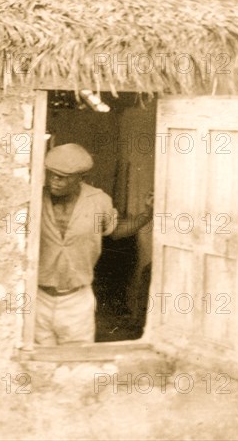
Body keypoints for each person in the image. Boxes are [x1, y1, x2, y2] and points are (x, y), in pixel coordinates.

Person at [35, 143, 153, 346]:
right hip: (37, 297)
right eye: (52, 174)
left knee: (77, 365)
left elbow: (115, 231)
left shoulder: (98, 201)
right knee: (37, 364)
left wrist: (147, 213)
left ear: (80, 177)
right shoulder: (33, 197)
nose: (55, 181)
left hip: (76, 300)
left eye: (63, 177)